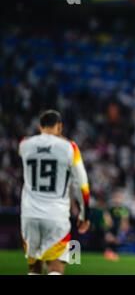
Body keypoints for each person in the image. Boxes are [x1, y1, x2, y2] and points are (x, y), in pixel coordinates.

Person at [19, 110, 90, 275]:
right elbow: (83, 184)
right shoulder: (70, 147)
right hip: (56, 214)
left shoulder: (24, 144)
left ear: (39, 126)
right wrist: (84, 216)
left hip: (29, 214)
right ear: (60, 126)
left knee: (34, 268)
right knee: (55, 267)